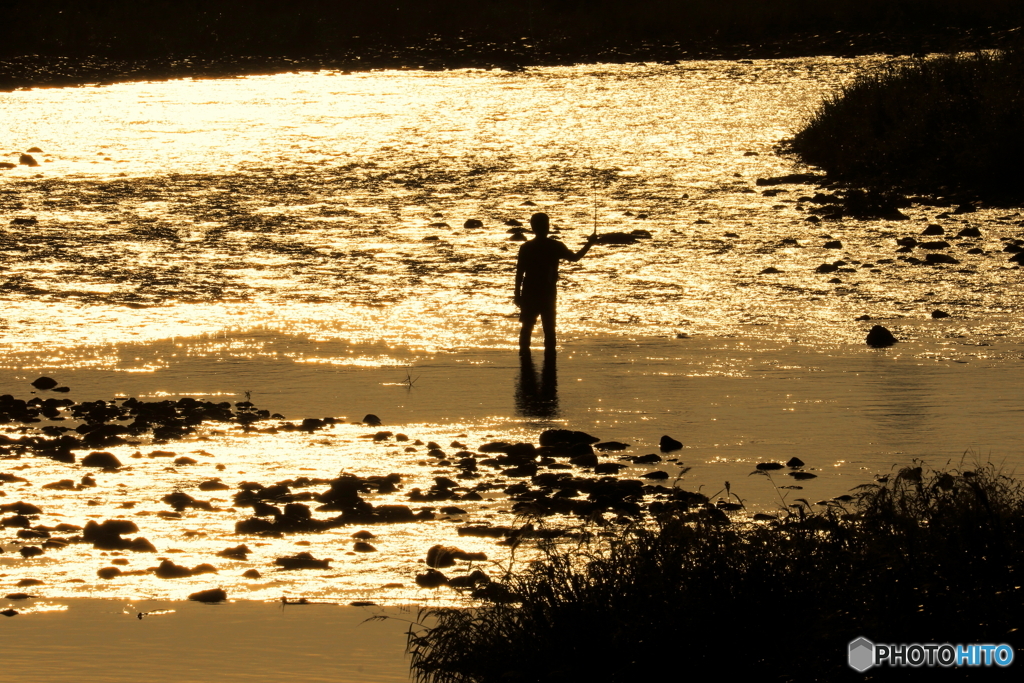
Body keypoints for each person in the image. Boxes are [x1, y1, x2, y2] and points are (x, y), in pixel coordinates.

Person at [514, 212, 597, 354]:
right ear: (547, 227)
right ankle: (549, 367)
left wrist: (517, 294)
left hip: (529, 293)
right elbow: (575, 258)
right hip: (547, 293)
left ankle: (524, 364)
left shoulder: (526, 247)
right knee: (549, 330)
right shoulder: (555, 246)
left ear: (532, 227)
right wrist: (589, 243)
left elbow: (519, 274)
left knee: (526, 328)